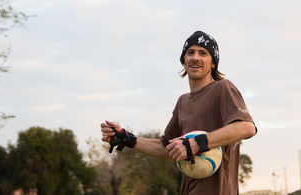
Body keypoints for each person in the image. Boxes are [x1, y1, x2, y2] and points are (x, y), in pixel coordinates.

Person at [101, 31, 257, 195]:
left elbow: (247, 127)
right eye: (190, 52)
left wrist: (199, 143)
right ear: (184, 60)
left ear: (213, 63)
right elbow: (165, 148)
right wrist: (128, 139)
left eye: (203, 53)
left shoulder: (223, 88)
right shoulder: (182, 102)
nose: (195, 57)